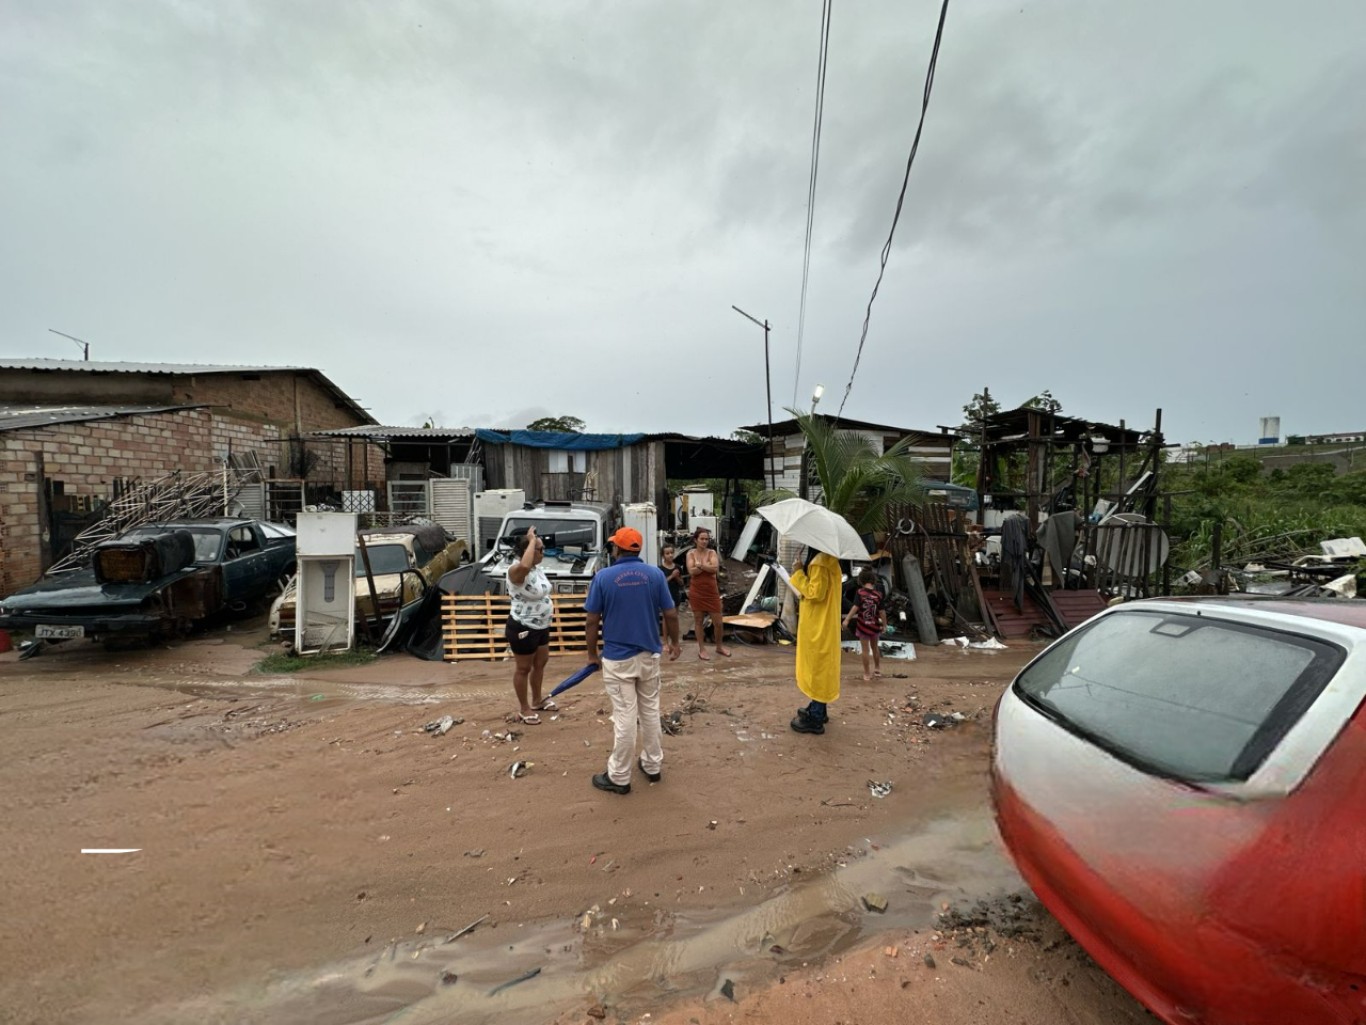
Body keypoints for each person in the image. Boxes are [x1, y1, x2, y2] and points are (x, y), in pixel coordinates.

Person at [584, 526, 682, 795]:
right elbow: (671, 614)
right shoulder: (654, 575)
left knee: (625, 717)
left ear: (618, 549)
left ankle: (619, 776)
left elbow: (592, 620)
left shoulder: (603, 577)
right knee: (650, 712)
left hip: (618, 660)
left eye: (614, 545)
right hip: (649, 656)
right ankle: (652, 766)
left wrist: (592, 655)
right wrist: (675, 643)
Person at [787, 546, 842, 735]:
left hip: (819, 625)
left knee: (818, 668)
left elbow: (816, 592)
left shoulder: (820, 562)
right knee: (821, 668)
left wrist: (798, 573)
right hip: (823, 622)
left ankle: (816, 718)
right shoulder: (827, 558)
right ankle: (818, 707)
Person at [505, 525, 555, 725]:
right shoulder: (516, 571)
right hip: (523, 626)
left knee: (540, 663)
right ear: (528, 550)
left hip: (541, 625)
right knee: (523, 668)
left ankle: (536, 700)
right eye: (539, 549)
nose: (543, 553)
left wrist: (534, 543)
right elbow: (524, 568)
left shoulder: (537, 569)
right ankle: (524, 708)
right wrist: (531, 540)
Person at [685, 527, 730, 659]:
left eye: (706, 539)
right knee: (698, 621)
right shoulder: (690, 554)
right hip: (697, 592)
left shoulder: (712, 553)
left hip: (711, 592)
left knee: (718, 622)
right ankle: (702, 649)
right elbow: (691, 571)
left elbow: (714, 569)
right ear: (696, 540)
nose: (704, 541)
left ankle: (719, 647)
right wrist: (705, 567)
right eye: (702, 539)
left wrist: (700, 566)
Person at [842, 567, 887, 680]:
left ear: (860, 581)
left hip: (863, 625)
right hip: (875, 625)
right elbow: (882, 612)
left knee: (865, 650)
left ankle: (867, 673)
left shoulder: (860, 593)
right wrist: (885, 625)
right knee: (875, 647)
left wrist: (847, 619)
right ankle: (877, 669)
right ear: (873, 580)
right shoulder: (878, 594)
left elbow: (855, 607)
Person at [659, 544, 684, 608]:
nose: (670, 555)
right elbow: (660, 584)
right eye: (667, 553)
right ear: (663, 556)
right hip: (665, 596)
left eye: (671, 553)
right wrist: (672, 576)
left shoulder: (678, 567)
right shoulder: (660, 569)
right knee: (666, 616)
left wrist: (677, 577)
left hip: (675, 596)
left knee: (675, 616)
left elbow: (681, 583)